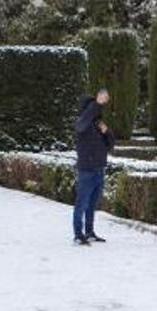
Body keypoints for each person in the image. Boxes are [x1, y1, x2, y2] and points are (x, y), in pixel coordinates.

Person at [72, 88, 115, 245]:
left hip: (99, 170)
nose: (96, 110)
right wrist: (96, 103)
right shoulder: (81, 124)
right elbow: (84, 120)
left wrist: (106, 131)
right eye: (92, 107)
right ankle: (78, 234)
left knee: (92, 205)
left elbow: (110, 145)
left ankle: (89, 232)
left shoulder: (98, 125)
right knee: (81, 204)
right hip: (86, 170)